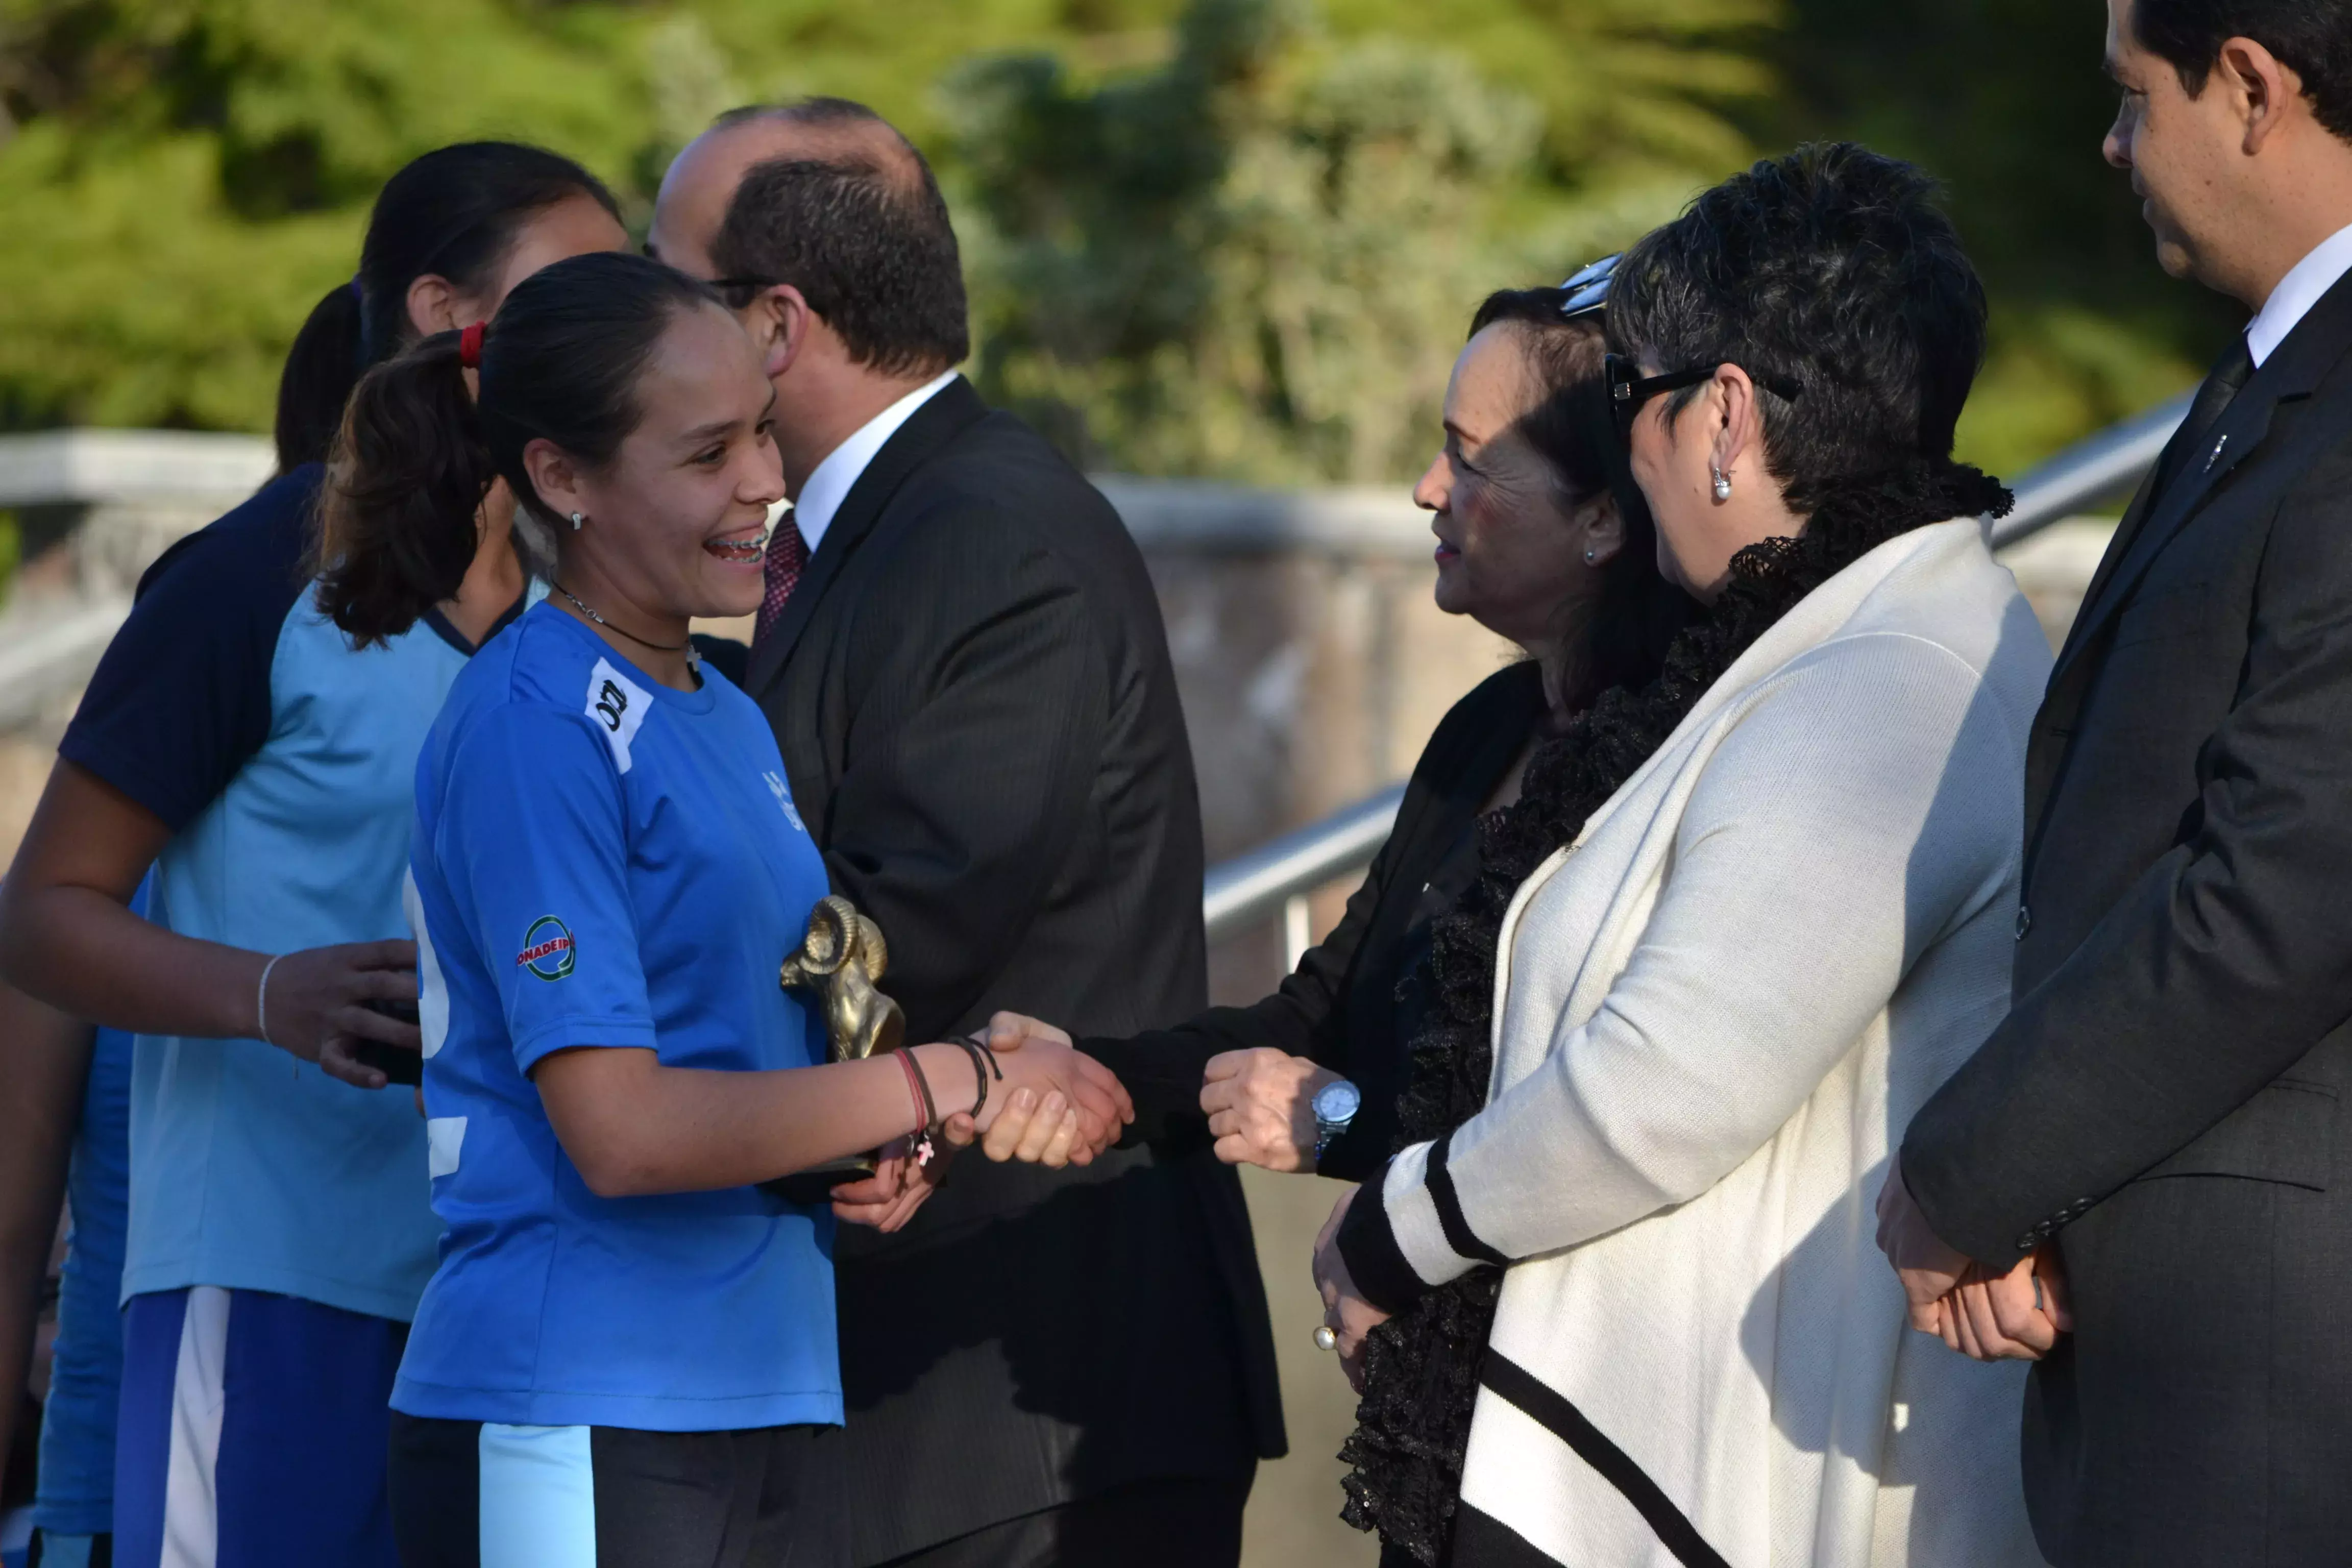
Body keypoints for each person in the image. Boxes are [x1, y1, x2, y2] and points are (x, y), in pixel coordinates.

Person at [1301, 143, 2051, 1567]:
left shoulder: (1883, 678)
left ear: (1722, 417)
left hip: (1696, 1486)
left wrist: (1394, 1230)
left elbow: (1664, 1085)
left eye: (1632, 398)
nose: (1623, 449)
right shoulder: (1835, 637)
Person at [340, 249, 1122, 1567]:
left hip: (752, 1397)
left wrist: (883, 1123)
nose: (765, 480)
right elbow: (624, 1131)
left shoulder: (729, 709)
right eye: (708, 454)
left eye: (763, 429)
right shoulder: (534, 718)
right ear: (560, 478)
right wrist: (952, 1080)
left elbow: (784, 1020)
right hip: (578, 1406)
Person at [646, 98, 1281, 1566]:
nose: (637, 324)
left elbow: (908, 921)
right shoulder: (883, 531)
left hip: (1035, 1410)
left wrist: (599, 1006)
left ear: (777, 325)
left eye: (664, 286)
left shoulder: (990, 537)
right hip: (928, 1405)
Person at [0, 142, 627, 1568]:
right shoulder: (257, 575)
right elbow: (41, 914)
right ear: (436, 312)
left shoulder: (581, 616)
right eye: (572, 287)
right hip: (274, 1290)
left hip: (524, 1308)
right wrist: (269, 992)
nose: (613, 317)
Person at [1883, 3, 2352, 1561]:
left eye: (2131, 97)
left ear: (2251, 89)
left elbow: (2274, 899)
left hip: (2272, 1370)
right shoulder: (2271, 389)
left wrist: (1968, 1180)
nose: (2113, 143)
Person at [974, 284, 1692, 1184]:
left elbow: (1576, 1132)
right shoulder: (1492, 725)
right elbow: (1319, 1021)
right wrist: (1093, 1074)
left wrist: (1341, 1123)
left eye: (1470, 463)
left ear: (1602, 518)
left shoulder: (1668, 763)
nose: (1428, 489)